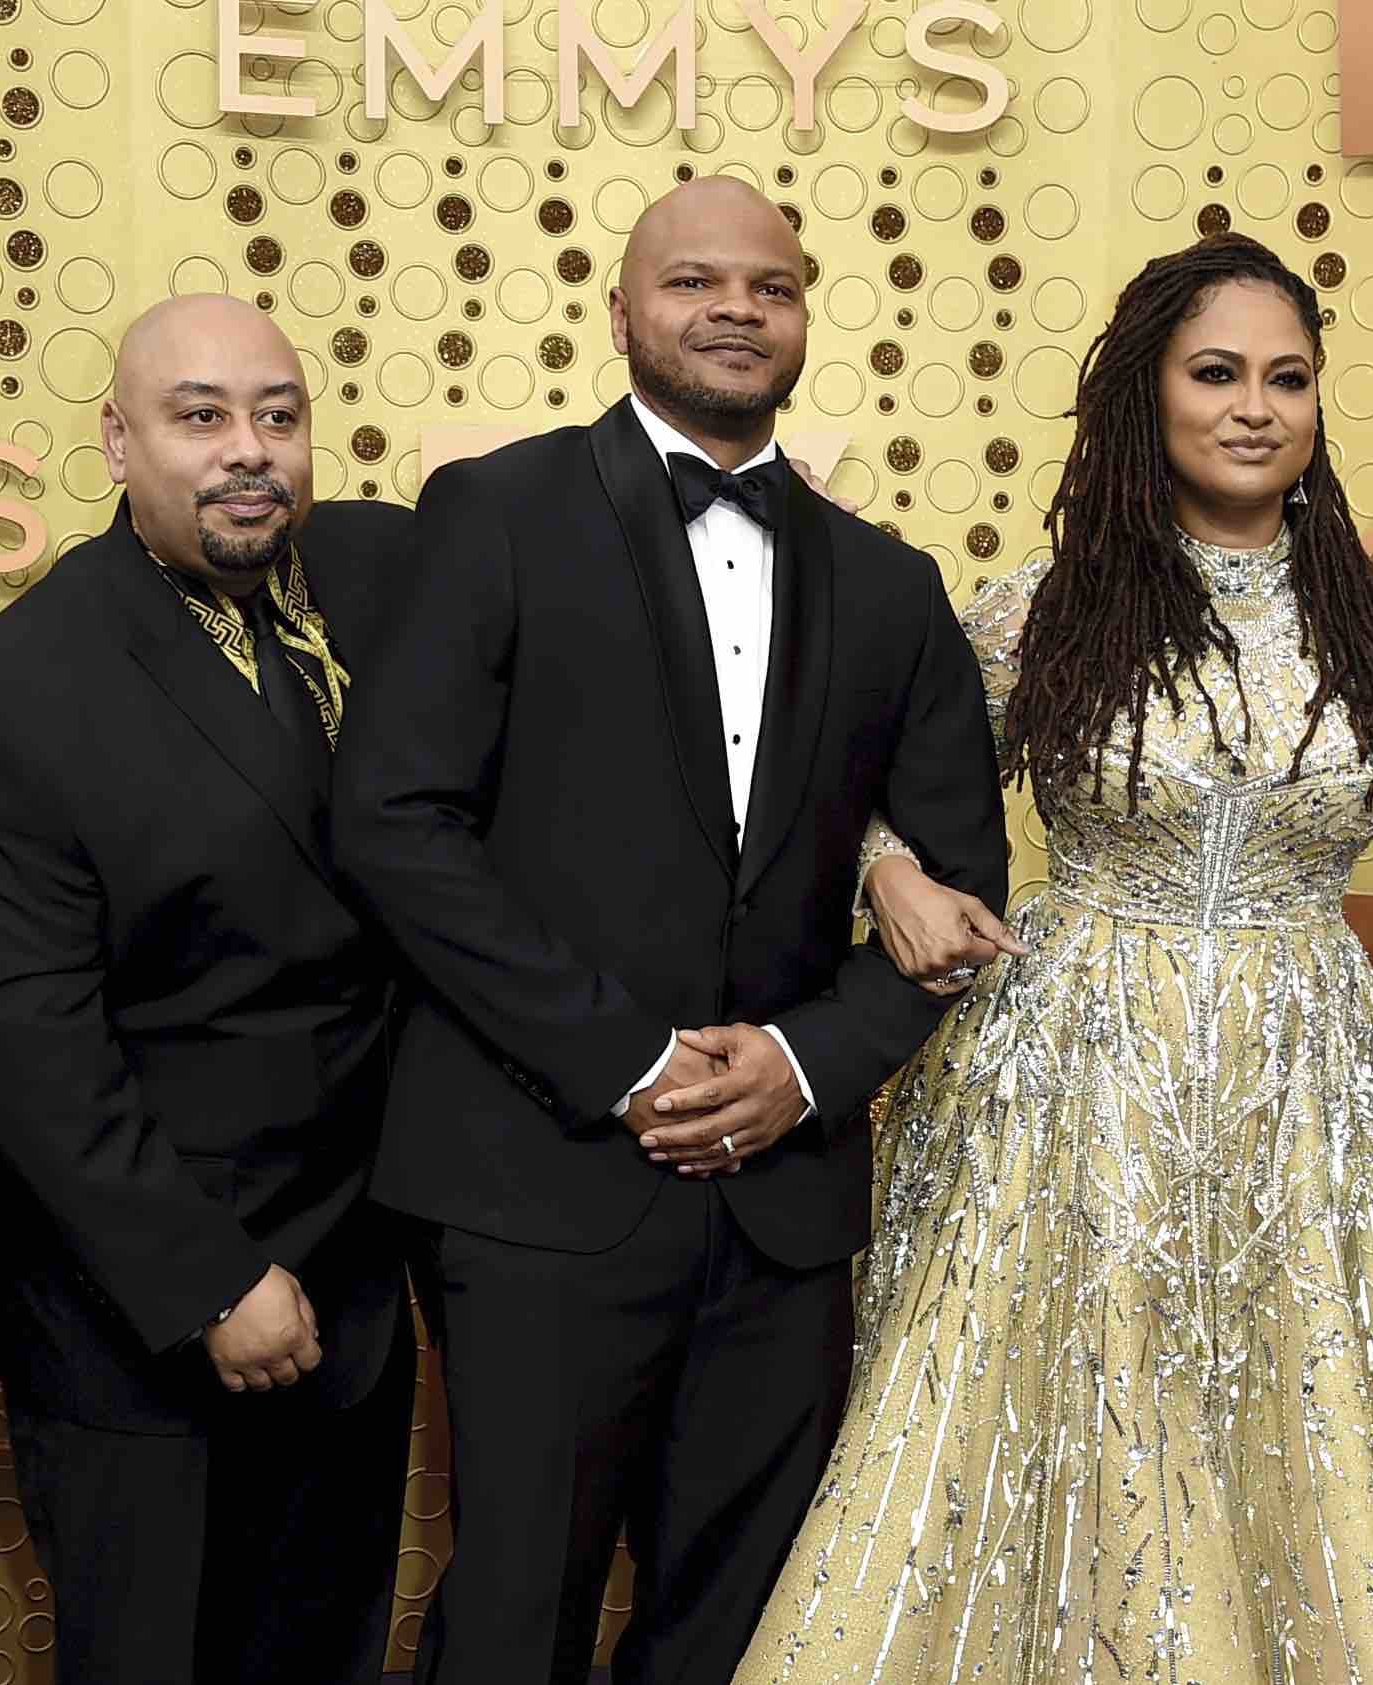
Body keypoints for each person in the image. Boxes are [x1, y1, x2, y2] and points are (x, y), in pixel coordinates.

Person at [732, 233, 1373, 1681]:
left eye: (1287, 378)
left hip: (1309, 1089)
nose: (1253, 406)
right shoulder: (1041, 609)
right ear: (1145, 397)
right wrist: (891, 868)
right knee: (1078, 1418)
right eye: (1215, 372)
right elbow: (850, 796)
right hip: (1071, 1077)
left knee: (1307, 1422)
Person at [329, 176, 1010, 1685]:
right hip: (538, 1177)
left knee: (744, 1622)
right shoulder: (496, 512)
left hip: (784, 1202)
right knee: (515, 1611)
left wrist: (801, 1062)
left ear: (808, 315)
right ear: (624, 310)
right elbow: (395, 823)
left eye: (767, 285)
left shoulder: (891, 587)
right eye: (694, 282)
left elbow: (960, 891)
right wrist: (628, 1059)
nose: (733, 309)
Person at [0, 294, 419, 1685]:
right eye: (200, 418)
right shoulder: (7, 696)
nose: (248, 451)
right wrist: (208, 1280)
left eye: (278, 415)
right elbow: (28, 1046)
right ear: (118, 442)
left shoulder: (380, 586)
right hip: (145, 1316)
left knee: (323, 1656)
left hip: (359, 1279)